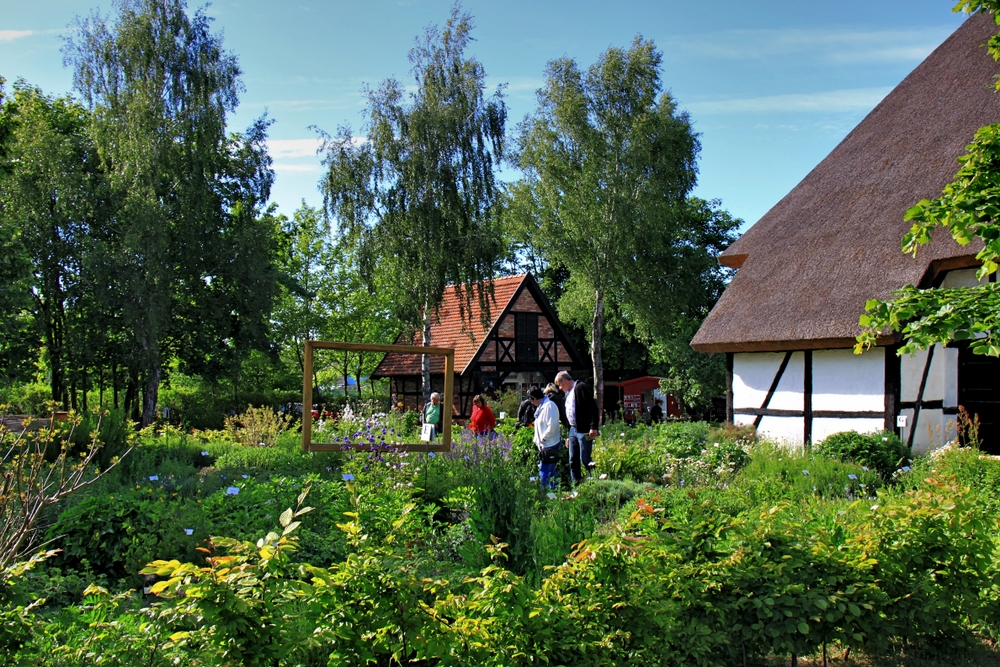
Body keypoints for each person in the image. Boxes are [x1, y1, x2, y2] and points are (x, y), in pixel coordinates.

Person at [555, 371, 600, 485]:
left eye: (560, 385)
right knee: (572, 460)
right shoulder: (568, 393)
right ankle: (577, 485)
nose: (560, 388)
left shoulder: (581, 388)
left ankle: (597, 482)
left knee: (585, 459)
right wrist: (569, 436)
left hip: (584, 429)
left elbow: (592, 408)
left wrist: (593, 427)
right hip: (573, 429)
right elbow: (570, 413)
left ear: (564, 380)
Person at [532, 386, 561, 490]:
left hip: (549, 443)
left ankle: (542, 492)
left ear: (535, 398)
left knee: (544, 469)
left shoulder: (549, 406)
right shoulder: (541, 407)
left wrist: (544, 438)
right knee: (551, 470)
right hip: (544, 444)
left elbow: (552, 425)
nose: (531, 403)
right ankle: (555, 490)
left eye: (531, 400)